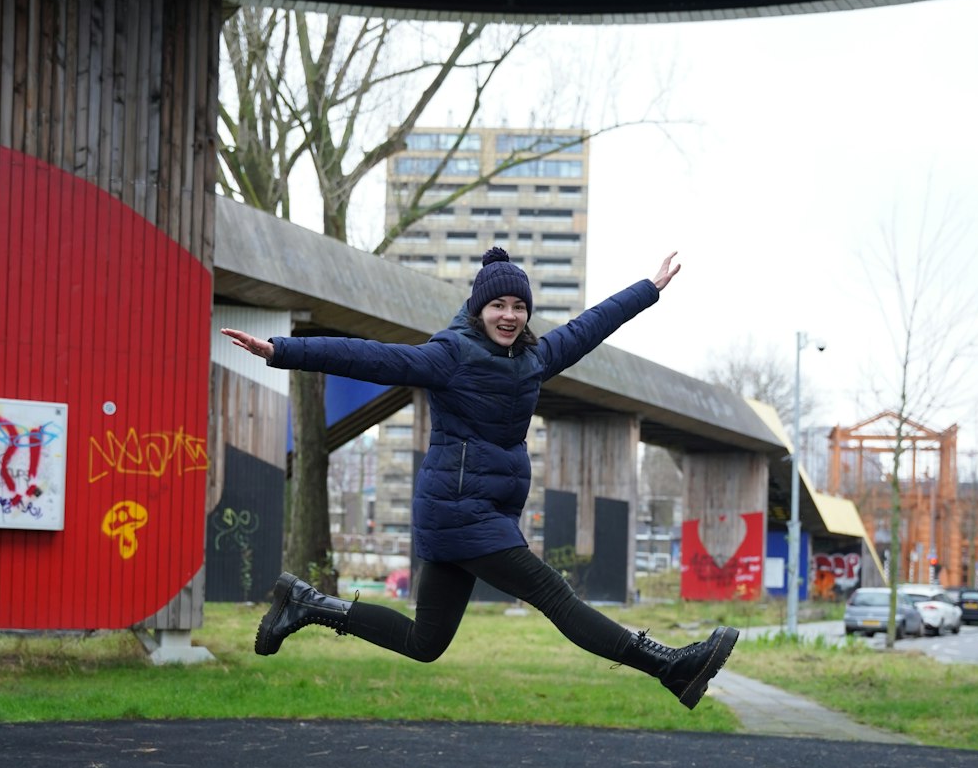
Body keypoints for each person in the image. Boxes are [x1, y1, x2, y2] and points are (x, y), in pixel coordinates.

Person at [222, 247, 737, 710]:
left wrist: (647, 290)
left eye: (518, 307)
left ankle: (308, 604)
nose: (509, 316)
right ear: (479, 309)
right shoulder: (450, 355)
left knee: (426, 643)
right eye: (498, 306)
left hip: (481, 513)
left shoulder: (534, 359)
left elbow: (590, 326)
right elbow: (372, 358)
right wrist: (281, 351)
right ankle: (669, 665)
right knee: (555, 596)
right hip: (459, 509)